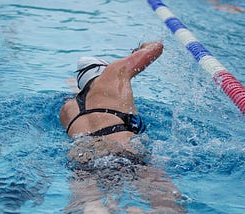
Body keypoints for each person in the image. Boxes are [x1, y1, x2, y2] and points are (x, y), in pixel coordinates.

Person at [60, 42, 185, 213]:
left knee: (89, 205)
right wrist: (138, 50)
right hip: (122, 154)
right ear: (104, 70)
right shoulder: (113, 73)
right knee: (170, 203)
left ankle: (98, 207)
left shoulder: (67, 109)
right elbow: (156, 47)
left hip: (82, 164)